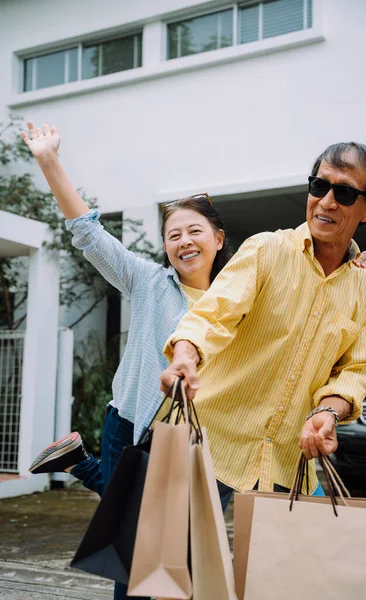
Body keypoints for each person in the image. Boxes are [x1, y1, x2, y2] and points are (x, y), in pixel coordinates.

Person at [21, 121, 232, 600]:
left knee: (185, 543)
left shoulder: (241, 299)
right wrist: (49, 160)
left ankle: (78, 462)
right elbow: (89, 234)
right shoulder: (149, 282)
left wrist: (351, 261)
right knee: (134, 551)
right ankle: (83, 464)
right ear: (165, 247)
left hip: (206, 442)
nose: (184, 242)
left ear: (219, 238)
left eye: (195, 231)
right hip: (134, 426)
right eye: (173, 234)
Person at [160, 141, 366, 512]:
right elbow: (212, 314)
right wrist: (184, 356)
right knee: (167, 562)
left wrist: (327, 413)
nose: (327, 201)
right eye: (319, 186)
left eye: (345, 193)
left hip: (287, 462)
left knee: (276, 569)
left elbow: (354, 375)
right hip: (207, 443)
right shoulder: (266, 250)